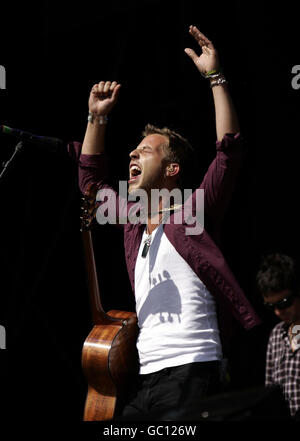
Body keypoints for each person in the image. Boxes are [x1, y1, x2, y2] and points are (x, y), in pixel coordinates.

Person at [72, 25, 261, 420]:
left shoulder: (193, 210)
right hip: (144, 380)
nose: (131, 154)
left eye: (145, 150)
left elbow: (229, 152)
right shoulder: (133, 222)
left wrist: (215, 77)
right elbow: (90, 183)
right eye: (133, 150)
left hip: (194, 369)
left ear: (172, 168)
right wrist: (96, 118)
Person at [256, 253, 300, 420]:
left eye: (283, 303)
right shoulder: (276, 334)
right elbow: (270, 391)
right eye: (271, 306)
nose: (278, 312)